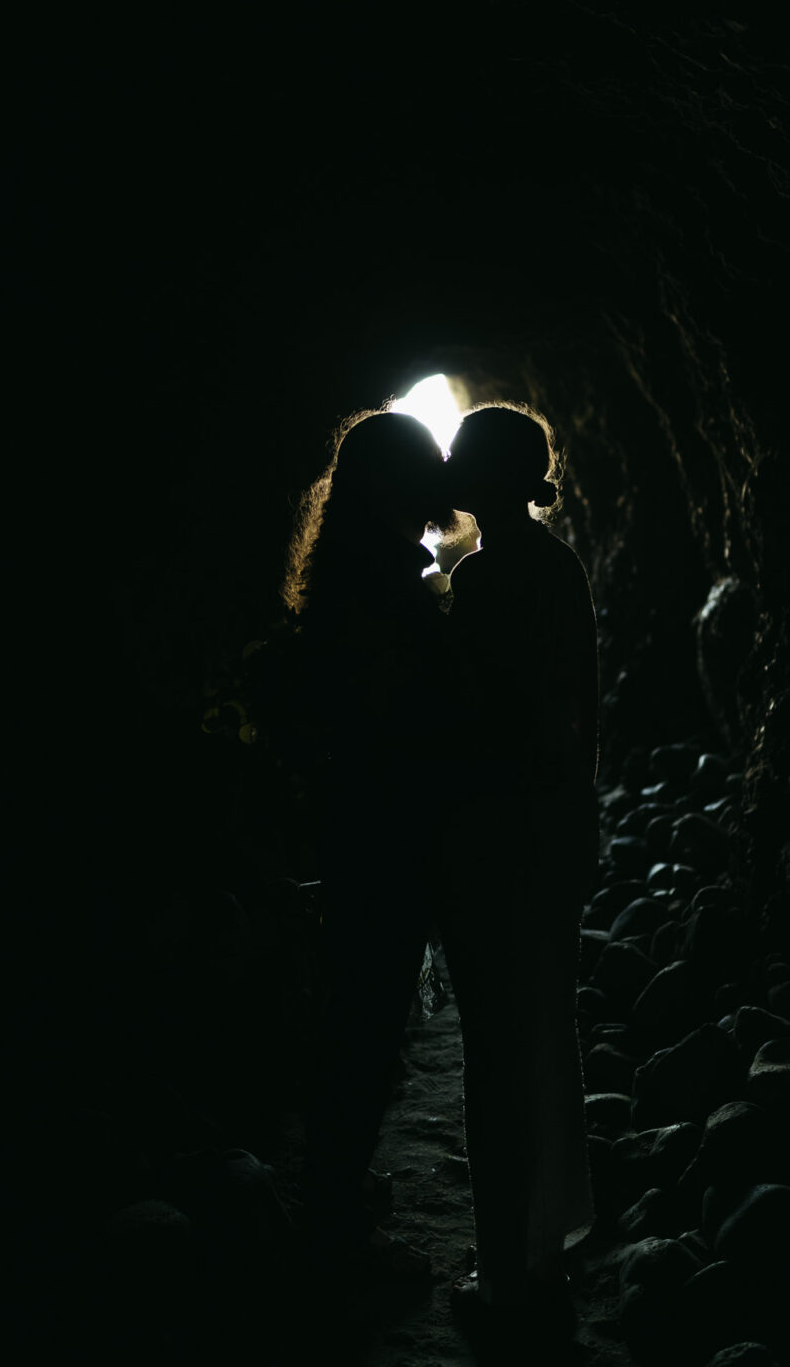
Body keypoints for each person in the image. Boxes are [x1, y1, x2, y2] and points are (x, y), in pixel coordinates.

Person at [281, 408, 453, 1278]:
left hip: (354, 820)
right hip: (384, 826)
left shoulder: (346, 569)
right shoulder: (384, 582)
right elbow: (398, 715)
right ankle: (335, 1220)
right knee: (366, 1016)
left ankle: (333, 1196)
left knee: (355, 1009)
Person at [439, 403, 600, 1331]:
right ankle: (542, 1256)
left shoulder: (487, 579)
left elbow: (468, 729)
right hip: (551, 832)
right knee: (544, 1038)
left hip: (494, 840)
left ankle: (502, 1274)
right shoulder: (563, 567)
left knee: (495, 1053)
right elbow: (582, 711)